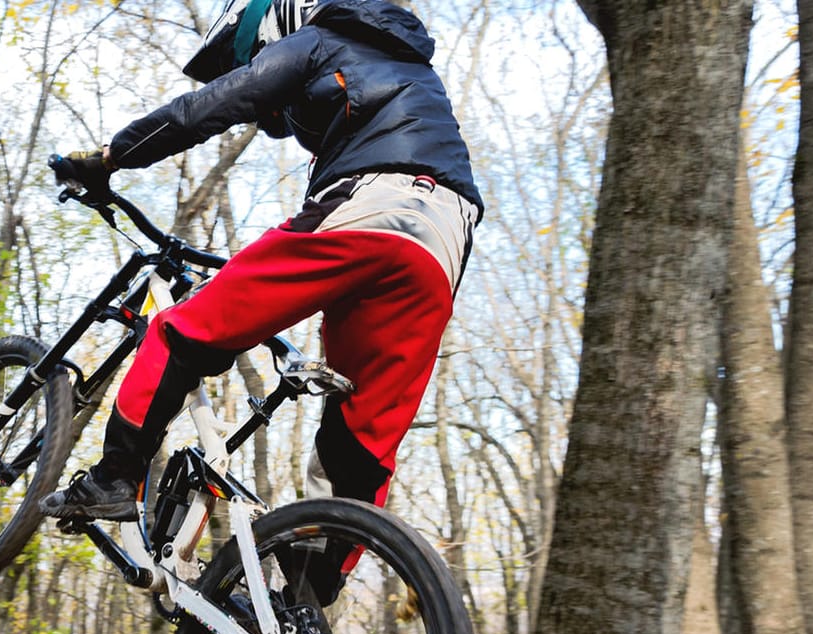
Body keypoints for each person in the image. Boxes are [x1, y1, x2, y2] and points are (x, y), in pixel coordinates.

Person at [38, 0, 483, 562]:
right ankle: (313, 592)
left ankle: (115, 478)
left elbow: (209, 107)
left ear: (280, 23)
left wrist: (112, 156)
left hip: (371, 204)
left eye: (255, 51)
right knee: (361, 433)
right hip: (445, 241)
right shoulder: (416, 71)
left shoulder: (319, 38)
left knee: (186, 330)